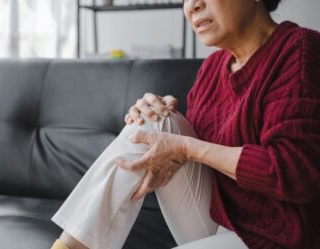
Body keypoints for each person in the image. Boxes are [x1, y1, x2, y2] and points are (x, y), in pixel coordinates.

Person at [51, 0, 320, 248]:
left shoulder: (300, 49)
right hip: (219, 223)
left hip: (281, 238)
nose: (192, 5)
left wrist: (186, 148)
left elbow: (295, 172)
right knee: (154, 118)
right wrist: (164, 121)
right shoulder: (213, 67)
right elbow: (193, 153)